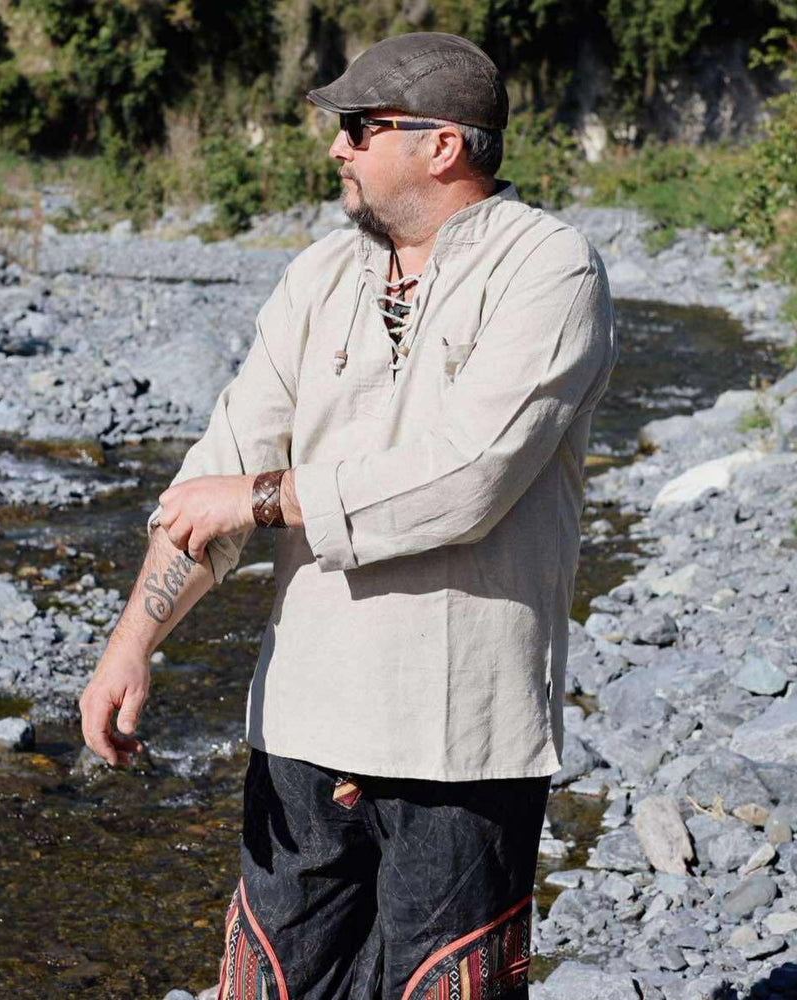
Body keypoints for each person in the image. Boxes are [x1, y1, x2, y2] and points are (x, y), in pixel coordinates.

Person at [79, 31, 618, 1000]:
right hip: (301, 725)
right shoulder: (320, 277)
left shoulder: (551, 270)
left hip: (461, 741)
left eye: (359, 128)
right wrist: (132, 643)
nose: (337, 148)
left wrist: (257, 497)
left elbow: (468, 477)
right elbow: (220, 472)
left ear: (441, 144)